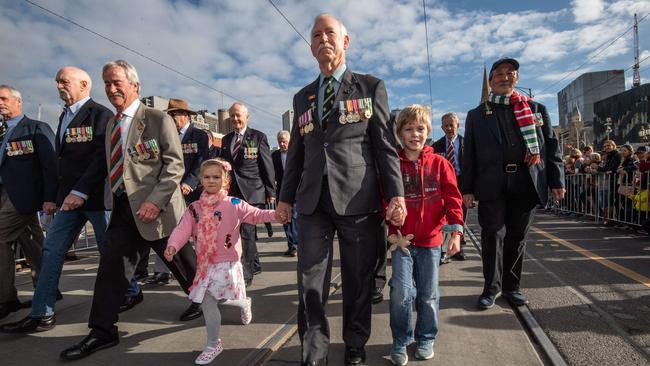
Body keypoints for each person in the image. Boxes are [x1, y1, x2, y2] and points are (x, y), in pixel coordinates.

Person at [275, 14, 406, 366]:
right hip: (312, 201)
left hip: (358, 199)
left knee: (358, 278)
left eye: (329, 33)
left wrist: (396, 195)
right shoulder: (302, 97)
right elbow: (297, 155)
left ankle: (355, 344)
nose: (322, 40)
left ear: (345, 42)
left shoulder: (370, 86)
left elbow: (384, 146)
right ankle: (314, 353)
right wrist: (285, 198)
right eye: (316, 35)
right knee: (310, 282)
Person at [60, 60, 199, 361]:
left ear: (134, 85)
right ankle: (102, 331)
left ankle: (204, 299)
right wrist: (79, 192)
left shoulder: (157, 119)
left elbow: (174, 165)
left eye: (116, 82)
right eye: (106, 83)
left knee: (185, 265)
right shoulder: (112, 124)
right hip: (124, 209)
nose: (111, 89)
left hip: (159, 211)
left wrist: (155, 200)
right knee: (111, 268)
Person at [0, 67, 118, 333]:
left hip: (97, 200)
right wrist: (54, 197)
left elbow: (102, 158)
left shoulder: (101, 114)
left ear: (84, 84)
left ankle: (130, 290)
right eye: (57, 82)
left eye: (64, 81)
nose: (59, 86)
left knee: (109, 253)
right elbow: (58, 164)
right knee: (51, 250)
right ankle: (42, 313)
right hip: (68, 202)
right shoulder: (64, 116)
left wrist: (81, 191)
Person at [461, 58, 565, 310]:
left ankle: (512, 286)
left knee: (517, 237)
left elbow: (551, 146)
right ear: (491, 80)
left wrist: (556, 180)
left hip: (526, 181)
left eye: (511, 73)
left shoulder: (536, 109)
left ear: (517, 78)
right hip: (491, 183)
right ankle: (491, 288)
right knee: (492, 235)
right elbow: (470, 154)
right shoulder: (477, 115)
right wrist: (467, 189)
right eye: (499, 74)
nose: (505, 77)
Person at [164, 158, 276, 365]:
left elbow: (256, 214)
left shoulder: (233, 204)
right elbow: (183, 229)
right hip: (206, 263)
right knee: (209, 299)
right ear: (200, 181)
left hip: (227, 262)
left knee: (221, 298)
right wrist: (173, 245)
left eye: (216, 177)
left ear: (226, 181)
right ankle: (213, 344)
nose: (211, 180)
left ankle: (243, 302)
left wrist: (278, 214)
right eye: (207, 177)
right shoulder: (195, 208)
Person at [387, 104, 464, 365]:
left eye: (420, 129)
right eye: (408, 129)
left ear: (428, 131)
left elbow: (453, 199)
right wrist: (388, 214)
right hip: (402, 242)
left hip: (431, 241)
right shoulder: (392, 165)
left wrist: (455, 233)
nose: (415, 134)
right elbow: (382, 197)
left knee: (429, 294)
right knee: (401, 292)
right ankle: (401, 339)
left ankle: (426, 337)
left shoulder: (440, 163)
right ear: (400, 133)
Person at [0, 85, 56, 320]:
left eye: (3, 98)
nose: (0, 103)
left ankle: (5, 298)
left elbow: (51, 165)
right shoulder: (2, 132)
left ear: (18, 102)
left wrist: (50, 197)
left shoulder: (35, 128)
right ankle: (48, 287)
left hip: (23, 198)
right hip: (3, 194)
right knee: (32, 243)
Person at [143, 98, 210, 287]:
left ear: (185, 115)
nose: (171, 118)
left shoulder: (199, 135)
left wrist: (189, 182)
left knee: (196, 233)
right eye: (169, 114)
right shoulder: (163, 135)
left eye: (174, 114)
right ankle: (163, 271)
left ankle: (202, 268)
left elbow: (201, 163)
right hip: (168, 192)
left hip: (192, 192)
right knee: (167, 231)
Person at [219, 103, 275, 287]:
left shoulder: (258, 137)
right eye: (232, 116)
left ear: (247, 117)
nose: (235, 119)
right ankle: (256, 264)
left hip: (253, 192)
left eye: (238, 116)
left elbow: (267, 166)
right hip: (233, 194)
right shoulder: (226, 139)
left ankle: (247, 272)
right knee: (241, 231)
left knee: (247, 232)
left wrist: (270, 192)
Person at [432, 112, 467, 263]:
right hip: (444, 185)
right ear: (442, 127)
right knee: (444, 217)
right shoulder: (436, 146)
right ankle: (443, 250)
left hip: (462, 183)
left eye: (451, 125)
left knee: (460, 217)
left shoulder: (468, 143)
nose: (449, 128)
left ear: (457, 126)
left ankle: (458, 248)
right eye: (445, 126)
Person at [272, 130, 298, 257]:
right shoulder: (275, 156)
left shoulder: (296, 152)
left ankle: (296, 244)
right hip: (281, 191)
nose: (282, 144)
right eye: (280, 141)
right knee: (284, 218)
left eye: (284, 141)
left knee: (294, 218)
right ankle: (291, 245)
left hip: (297, 191)